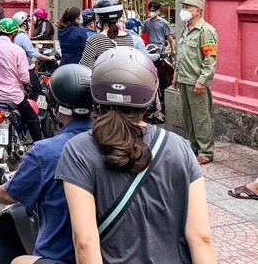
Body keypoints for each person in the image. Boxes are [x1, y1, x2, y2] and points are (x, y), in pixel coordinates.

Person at [56, 47, 216, 264]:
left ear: (95, 94)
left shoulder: (77, 150)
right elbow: (202, 238)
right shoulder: (179, 147)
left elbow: (85, 242)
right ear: (150, 98)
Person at [0, 64, 94, 264]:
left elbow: (9, 194)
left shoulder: (46, 151)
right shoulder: (118, 145)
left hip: (59, 256)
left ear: (56, 107)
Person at [0, 18, 41, 154]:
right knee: (33, 119)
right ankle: (40, 150)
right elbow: (24, 77)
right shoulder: (18, 51)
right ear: (14, 33)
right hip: (13, 98)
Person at [172, 0, 218, 165]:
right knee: (189, 117)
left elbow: (210, 59)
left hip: (196, 81)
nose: (183, 11)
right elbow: (181, 55)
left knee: (200, 118)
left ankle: (206, 151)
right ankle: (194, 148)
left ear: (198, 11)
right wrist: (176, 75)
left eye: (187, 7)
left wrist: (202, 81)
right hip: (184, 79)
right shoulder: (185, 29)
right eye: (183, 7)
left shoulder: (206, 31)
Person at [80, 0, 134, 68]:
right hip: (125, 78)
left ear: (98, 17)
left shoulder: (94, 40)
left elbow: (85, 67)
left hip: (102, 78)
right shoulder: (129, 38)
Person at [12, 11, 55, 99]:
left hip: (18, 68)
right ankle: (37, 111)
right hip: (26, 69)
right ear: (23, 23)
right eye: (27, 21)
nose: (29, 23)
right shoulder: (22, 36)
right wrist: (48, 58)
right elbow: (34, 54)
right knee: (38, 92)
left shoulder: (16, 35)